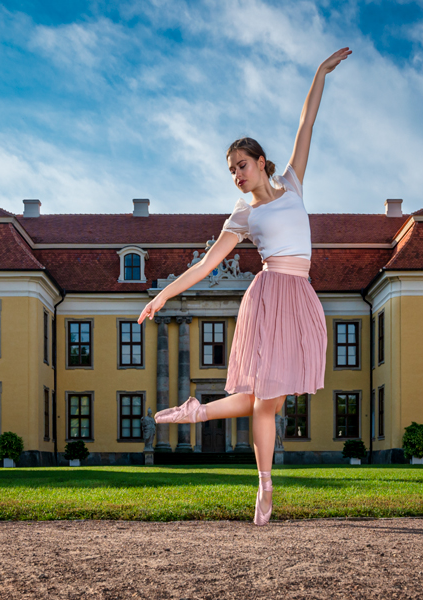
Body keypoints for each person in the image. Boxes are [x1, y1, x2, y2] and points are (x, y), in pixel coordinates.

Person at [138, 47, 351, 526]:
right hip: (272, 294)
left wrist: (319, 74)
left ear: (260, 161)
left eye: (240, 164)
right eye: (231, 170)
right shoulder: (242, 215)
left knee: (268, 400)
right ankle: (265, 484)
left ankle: (200, 414)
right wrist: (163, 294)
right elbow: (207, 265)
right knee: (265, 397)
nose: (236, 175)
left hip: (302, 295)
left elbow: (307, 125)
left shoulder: (293, 184)